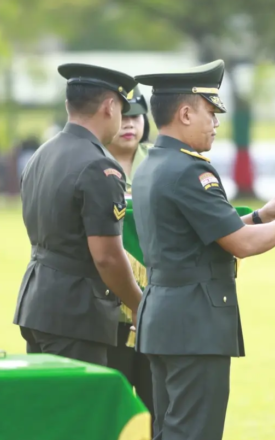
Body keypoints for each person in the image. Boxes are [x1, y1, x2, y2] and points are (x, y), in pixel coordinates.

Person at [130, 59, 275, 440]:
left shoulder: (154, 163)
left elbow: (204, 232)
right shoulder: (190, 171)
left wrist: (263, 215)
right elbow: (241, 244)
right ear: (185, 113)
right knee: (194, 431)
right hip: (194, 323)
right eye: (210, 113)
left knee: (169, 428)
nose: (216, 123)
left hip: (165, 317)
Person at [12, 63, 144, 367]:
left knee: (50, 410)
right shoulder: (100, 167)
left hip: (38, 302)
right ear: (110, 106)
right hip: (76, 313)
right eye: (123, 110)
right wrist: (139, 305)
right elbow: (107, 256)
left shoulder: (41, 154)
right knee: (80, 412)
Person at [103, 86, 155, 416]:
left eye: (136, 116)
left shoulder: (159, 161)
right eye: (123, 116)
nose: (129, 124)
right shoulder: (94, 162)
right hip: (108, 308)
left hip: (156, 305)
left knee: (157, 404)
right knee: (112, 408)